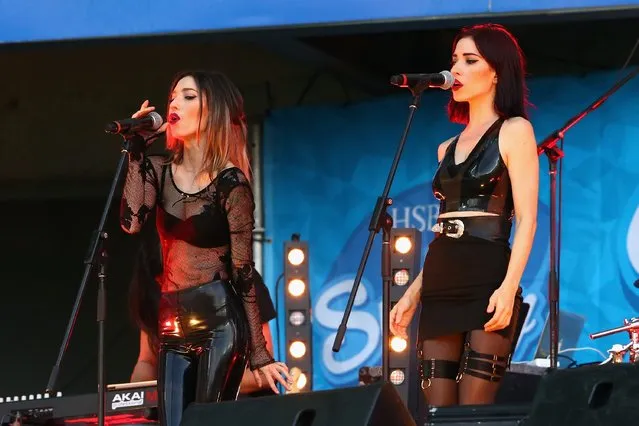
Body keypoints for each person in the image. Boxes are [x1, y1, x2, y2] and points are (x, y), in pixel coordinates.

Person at [119, 70, 291, 426]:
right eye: (172, 97)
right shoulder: (159, 170)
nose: (174, 104)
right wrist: (136, 148)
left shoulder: (231, 182)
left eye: (188, 96)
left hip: (219, 320)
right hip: (172, 323)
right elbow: (130, 222)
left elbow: (243, 270)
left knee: (205, 421)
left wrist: (259, 355)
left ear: (212, 111)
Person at [390, 23, 539, 407]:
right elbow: (444, 230)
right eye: (454, 59)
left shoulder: (515, 130)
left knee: (473, 412)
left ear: (496, 72)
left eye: (469, 60)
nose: (456, 68)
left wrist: (508, 288)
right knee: (437, 412)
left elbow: (526, 219)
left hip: (487, 272)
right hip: (442, 274)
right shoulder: (446, 148)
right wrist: (412, 293)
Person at [128, 218, 278, 399]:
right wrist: (135, 396)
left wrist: (201, 384)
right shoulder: (153, 296)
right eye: (163, 283)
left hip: (242, 408)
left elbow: (264, 371)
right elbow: (146, 361)